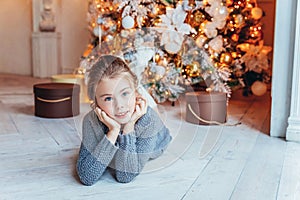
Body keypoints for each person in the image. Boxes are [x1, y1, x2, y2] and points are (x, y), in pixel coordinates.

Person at [76, 55, 172, 185]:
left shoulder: (148, 120)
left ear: (136, 92)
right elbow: (87, 177)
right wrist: (113, 131)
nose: (120, 105)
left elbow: (125, 175)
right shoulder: (91, 120)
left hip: (158, 140)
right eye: (108, 99)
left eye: (125, 94)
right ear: (95, 103)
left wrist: (129, 127)